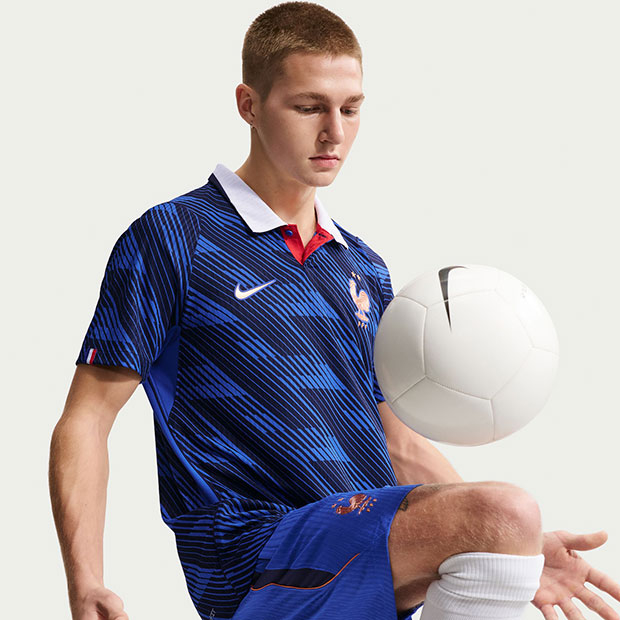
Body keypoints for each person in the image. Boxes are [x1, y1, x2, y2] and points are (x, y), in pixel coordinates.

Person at [49, 2, 620, 620]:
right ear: (248, 105)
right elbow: (88, 418)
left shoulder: (363, 266)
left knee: (508, 521)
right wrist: (86, 580)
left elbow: (397, 440)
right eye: (309, 107)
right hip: (253, 550)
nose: (335, 133)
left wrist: (513, 548)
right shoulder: (175, 238)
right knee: (508, 509)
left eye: (351, 109)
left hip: (356, 552)